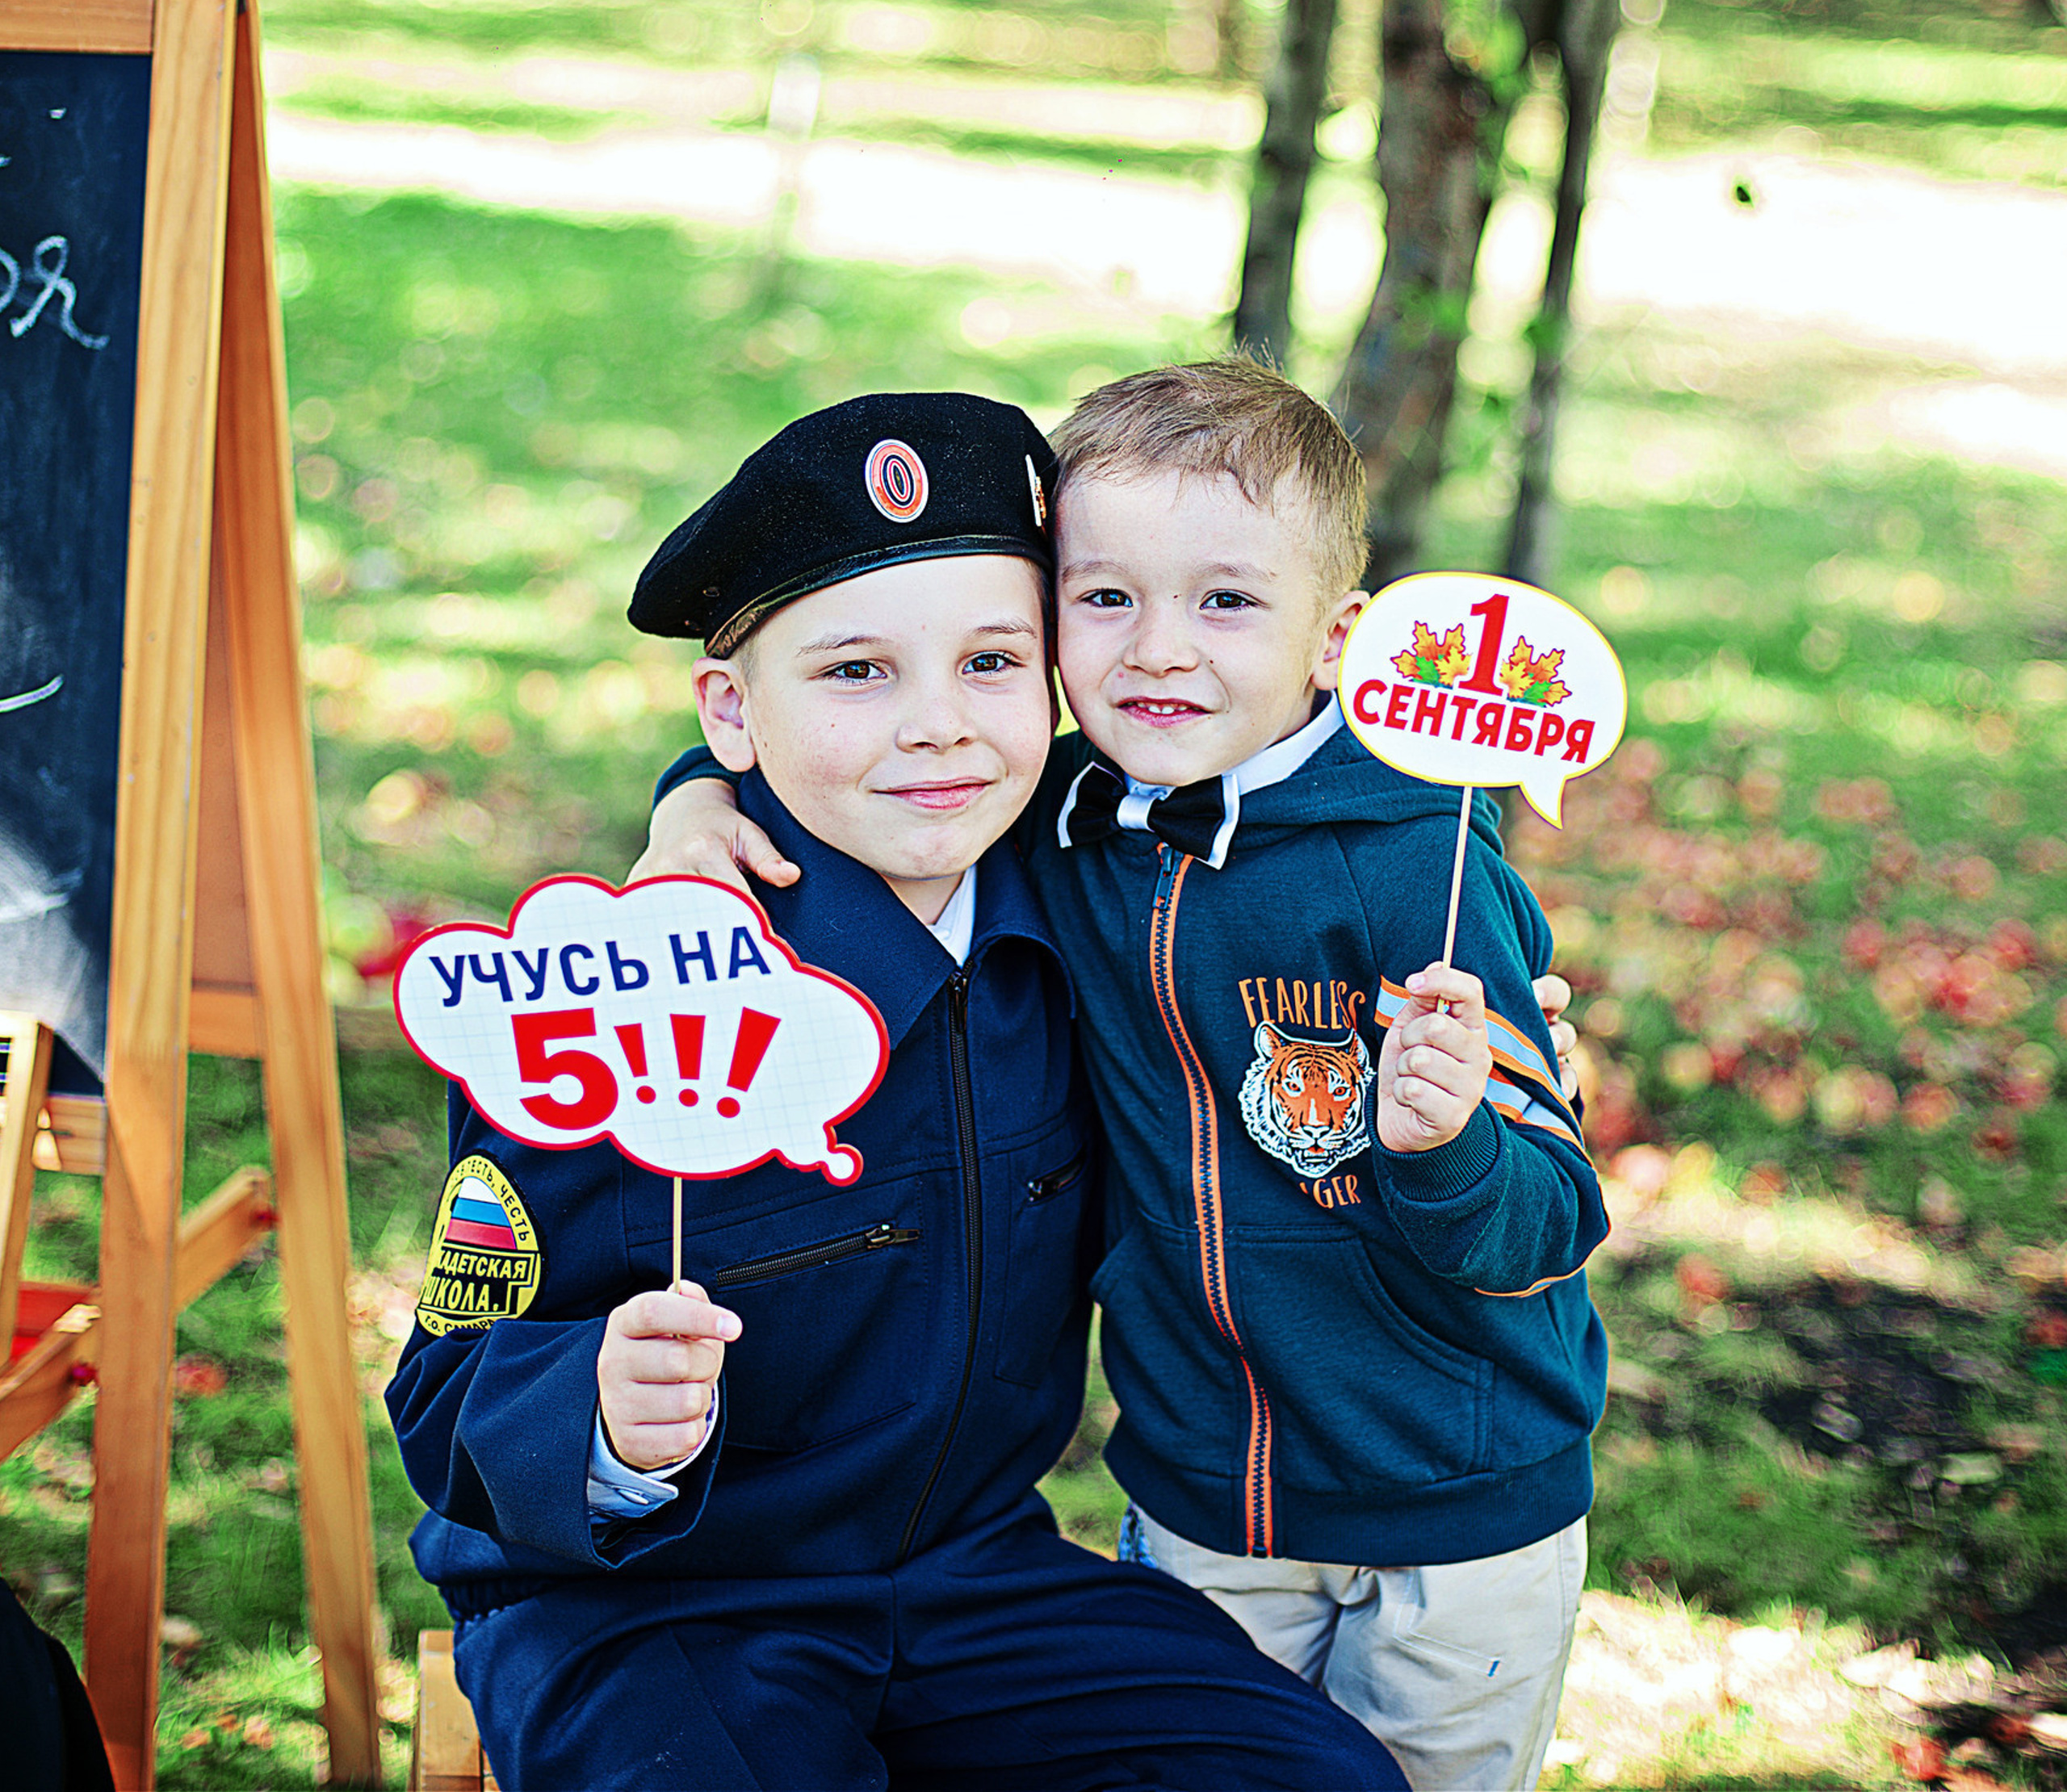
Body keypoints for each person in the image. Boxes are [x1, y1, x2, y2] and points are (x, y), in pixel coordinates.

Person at [386, 391, 1408, 1792]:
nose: (939, 728)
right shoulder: (610, 1000)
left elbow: (1311, 819)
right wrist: (602, 1419)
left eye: (993, 662)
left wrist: (1483, 999)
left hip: (970, 1580)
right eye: (858, 672)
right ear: (733, 710)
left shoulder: (1083, 905)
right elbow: (446, 1392)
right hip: (653, 1615)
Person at [648, 358, 1610, 1792]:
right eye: (1105, 598)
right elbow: (831, 734)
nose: (1159, 652)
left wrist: (1451, 1143)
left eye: (1226, 602)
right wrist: (691, 802)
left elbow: (1552, 1220)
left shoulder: (1425, 871)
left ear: (1336, 640)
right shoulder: (1054, 811)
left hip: (1452, 1499)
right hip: (1202, 1482)